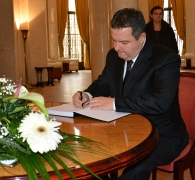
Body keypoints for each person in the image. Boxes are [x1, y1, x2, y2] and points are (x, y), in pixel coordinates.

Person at [72, 8, 188, 180]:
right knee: (90, 158)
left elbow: (160, 102)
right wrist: (87, 94)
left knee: (134, 170)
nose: (117, 48)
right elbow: (104, 83)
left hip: (161, 135)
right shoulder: (114, 56)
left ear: (142, 38)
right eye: (114, 40)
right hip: (123, 129)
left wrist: (113, 103)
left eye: (124, 42)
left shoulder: (165, 58)